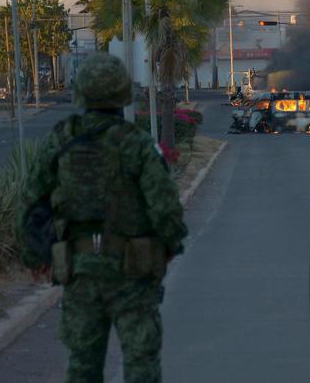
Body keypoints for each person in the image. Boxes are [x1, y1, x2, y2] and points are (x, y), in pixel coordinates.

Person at [17, 53, 188, 383]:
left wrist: (35, 256)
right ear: (123, 92)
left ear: (80, 93)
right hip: (133, 273)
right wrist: (170, 245)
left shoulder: (61, 140)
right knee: (141, 365)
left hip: (80, 271)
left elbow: (30, 201)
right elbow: (164, 205)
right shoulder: (138, 144)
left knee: (83, 366)